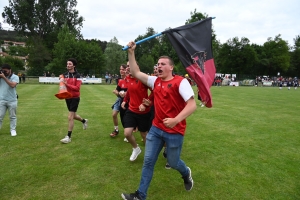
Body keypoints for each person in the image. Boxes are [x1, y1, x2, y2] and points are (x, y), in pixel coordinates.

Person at [121, 41, 197, 200]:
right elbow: (135, 72)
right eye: (158, 64)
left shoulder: (180, 82)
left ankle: (186, 173)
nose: (159, 66)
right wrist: (131, 52)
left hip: (175, 131)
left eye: (163, 64)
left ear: (171, 67)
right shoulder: (155, 81)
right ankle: (140, 195)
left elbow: (192, 105)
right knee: (148, 161)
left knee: (174, 162)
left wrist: (176, 120)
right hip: (156, 129)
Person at [120, 61, 151, 162]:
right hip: (131, 110)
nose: (128, 68)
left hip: (143, 112)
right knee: (127, 133)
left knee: (144, 134)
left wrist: (146, 103)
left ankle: (148, 154)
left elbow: (155, 90)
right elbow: (129, 90)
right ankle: (136, 148)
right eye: (127, 66)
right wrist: (125, 101)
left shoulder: (142, 78)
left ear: (137, 67)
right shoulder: (128, 78)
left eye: (130, 66)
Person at [60, 58, 88, 144]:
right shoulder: (64, 75)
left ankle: (68, 137)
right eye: (67, 64)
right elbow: (61, 82)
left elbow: (77, 88)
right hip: (67, 97)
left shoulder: (78, 76)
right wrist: (61, 78)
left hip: (75, 98)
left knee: (70, 117)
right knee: (74, 115)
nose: (68, 65)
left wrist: (67, 84)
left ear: (74, 65)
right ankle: (84, 121)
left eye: (70, 64)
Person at [0, 64, 19, 136]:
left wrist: (4, 77)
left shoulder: (15, 77)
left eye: (6, 71)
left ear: (10, 70)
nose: (4, 72)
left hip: (12, 100)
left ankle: (13, 130)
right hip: (2, 99)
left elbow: (12, 85)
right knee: (0, 116)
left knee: (12, 116)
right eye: (3, 70)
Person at [110, 64, 128, 137]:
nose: (121, 71)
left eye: (123, 69)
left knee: (126, 117)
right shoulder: (120, 80)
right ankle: (116, 130)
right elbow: (117, 90)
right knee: (114, 114)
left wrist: (125, 94)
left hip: (128, 101)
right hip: (120, 99)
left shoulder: (129, 80)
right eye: (120, 69)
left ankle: (128, 132)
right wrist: (117, 93)